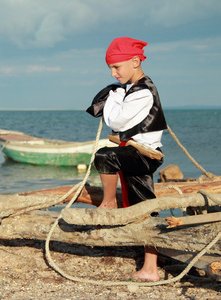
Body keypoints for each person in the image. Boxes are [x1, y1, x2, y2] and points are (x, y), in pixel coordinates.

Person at [89, 37, 167, 281]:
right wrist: (119, 92)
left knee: (105, 156)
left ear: (135, 62)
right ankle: (150, 269)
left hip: (143, 154)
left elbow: (117, 121)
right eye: (110, 68)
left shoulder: (142, 92)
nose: (113, 73)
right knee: (144, 206)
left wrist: (114, 96)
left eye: (116, 67)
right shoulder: (132, 89)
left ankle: (110, 202)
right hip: (134, 152)